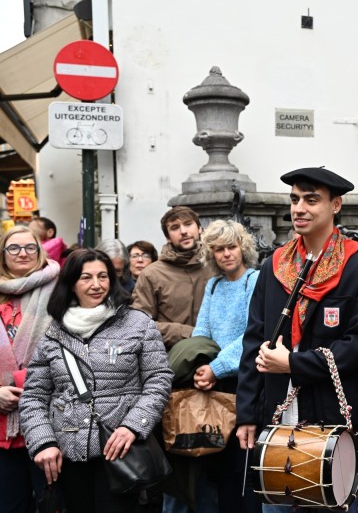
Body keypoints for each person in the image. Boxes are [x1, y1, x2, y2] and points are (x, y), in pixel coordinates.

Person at [237, 167, 358, 512]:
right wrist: (247, 413)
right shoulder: (273, 266)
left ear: (336, 205)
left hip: (332, 423)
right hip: (278, 423)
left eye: (311, 199)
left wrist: (293, 364)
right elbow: (253, 341)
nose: (299, 208)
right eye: (294, 199)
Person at [19, 248, 173, 513]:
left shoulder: (138, 324)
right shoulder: (54, 332)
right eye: (86, 277)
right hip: (68, 453)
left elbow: (158, 381)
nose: (96, 284)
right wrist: (43, 442)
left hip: (121, 450)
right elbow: (34, 396)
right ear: (71, 284)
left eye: (103, 276)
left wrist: (133, 426)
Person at [187, 219, 261, 513]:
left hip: (244, 382)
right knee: (217, 470)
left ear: (243, 248)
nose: (226, 254)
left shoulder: (253, 280)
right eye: (219, 249)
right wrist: (201, 365)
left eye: (231, 247)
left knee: (243, 467)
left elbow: (253, 335)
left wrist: (216, 367)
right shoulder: (213, 285)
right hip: (215, 382)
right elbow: (201, 331)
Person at [0, 226, 61, 513]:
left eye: (30, 247)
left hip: (49, 422)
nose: (22, 253)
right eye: (13, 248)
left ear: (40, 251)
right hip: (2, 431)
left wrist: (32, 385)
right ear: (3, 255)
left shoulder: (59, 289)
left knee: (52, 505)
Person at [131, 206, 215, 348]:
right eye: (175, 228)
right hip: (170, 358)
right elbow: (140, 324)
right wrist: (187, 333)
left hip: (216, 355)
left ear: (200, 229)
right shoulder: (152, 274)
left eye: (188, 224)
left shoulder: (216, 266)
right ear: (168, 237)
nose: (183, 231)